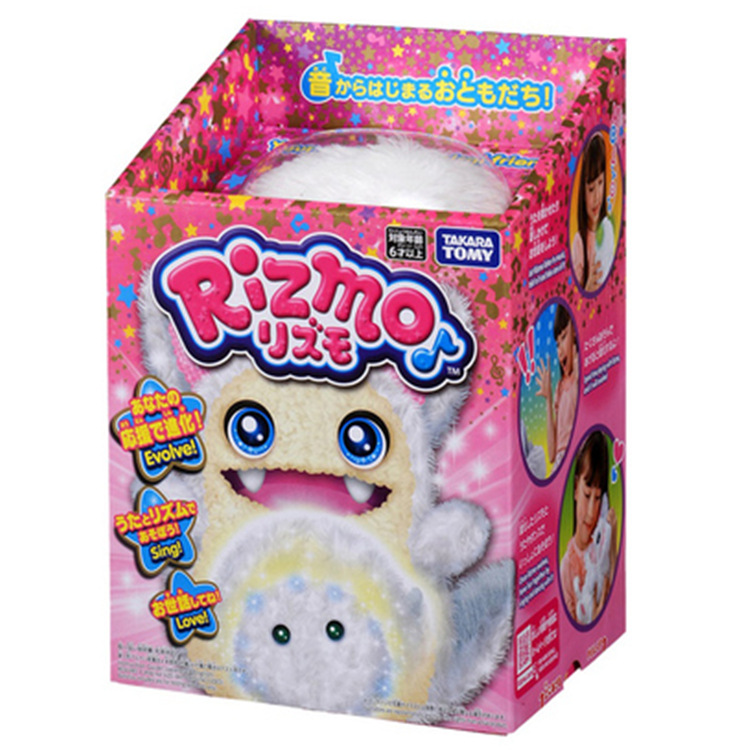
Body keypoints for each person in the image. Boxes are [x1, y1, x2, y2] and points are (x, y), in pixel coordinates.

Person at [560, 431, 618, 624]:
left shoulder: (603, 547)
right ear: (576, 488)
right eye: (587, 495)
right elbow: (571, 631)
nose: (592, 512)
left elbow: (616, 594)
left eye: (598, 497)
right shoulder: (567, 568)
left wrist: (612, 540)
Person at [536, 304, 578, 471]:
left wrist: (577, 358)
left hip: (575, 457)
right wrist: (548, 399)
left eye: (564, 337)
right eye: (557, 344)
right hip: (560, 464)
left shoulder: (578, 377)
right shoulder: (560, 387)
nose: (560, 352)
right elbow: (552, 454)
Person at [572, 133, 615, 292]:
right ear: (582, 193)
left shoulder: (607, 228)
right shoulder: (579, 243)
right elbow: (575, 298)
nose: (597, 196)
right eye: (591, 189)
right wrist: (588, 286)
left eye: (600, 182)